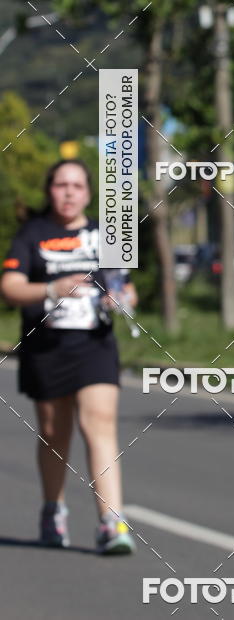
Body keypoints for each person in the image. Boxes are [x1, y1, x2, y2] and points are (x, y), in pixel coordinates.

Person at [0, 159, 138, 555]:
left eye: (77, 185)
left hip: (94, 344)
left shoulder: (105, 235)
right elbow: (10, 286)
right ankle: (53, 509)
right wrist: (52, 288)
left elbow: (124, 286)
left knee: (100, 423)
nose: (69, 192)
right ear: (50, 190)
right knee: (54, 434)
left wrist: (122, 299)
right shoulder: (33, 234)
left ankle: (112, 522)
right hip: (46, 346)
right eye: (61, 184)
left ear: (89, 193)